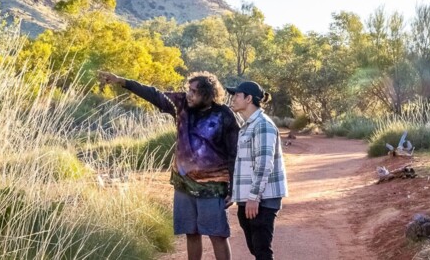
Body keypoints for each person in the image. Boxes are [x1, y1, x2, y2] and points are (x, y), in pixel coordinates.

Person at [98, 70, 239, 260]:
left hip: (213, 186)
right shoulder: (180, 104)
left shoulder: (223, 115)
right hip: (183, 184)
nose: (189, 94)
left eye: (194, 91)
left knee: (217, 235)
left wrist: (234, 187)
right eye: (188, 89)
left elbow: (234, 153)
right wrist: (122, 81)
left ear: (207, 94)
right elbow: (154, 94)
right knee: (191, 232)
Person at [227, 81, 288, 260]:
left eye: (237, 95)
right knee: (256, 249)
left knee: (262, 251)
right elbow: (244, 165)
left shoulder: (263, 125)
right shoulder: (248, 126)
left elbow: (264, 164)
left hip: (263, 199)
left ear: (249, 98)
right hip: (249, 198)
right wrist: (236, 194)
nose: (233, 98)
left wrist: (254, 197)